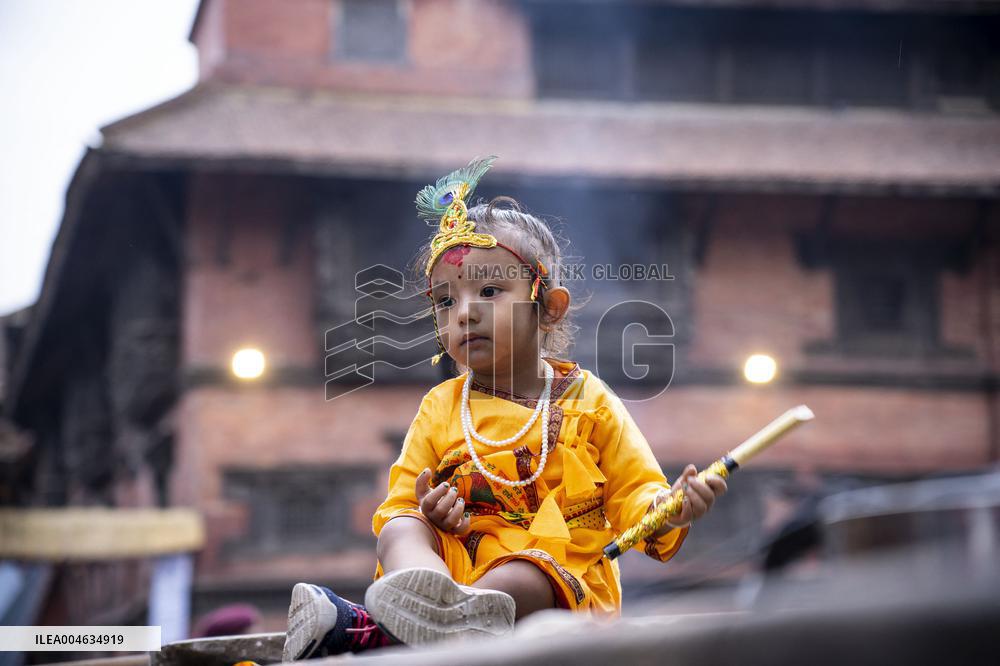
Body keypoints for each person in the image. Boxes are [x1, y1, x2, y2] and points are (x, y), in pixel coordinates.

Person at [282, 156, 728, 660]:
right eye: (445, 303)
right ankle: (423, 606)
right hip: (454, 572)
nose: (464, 312)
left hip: (553, 584)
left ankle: (371, 628)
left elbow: (636, 500)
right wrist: (431, 510)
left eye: (489, 292)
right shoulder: (442, 406)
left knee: (527, 570)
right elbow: (404, 500)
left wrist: (671, 508)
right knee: (400, 526)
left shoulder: (590, 401)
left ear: (548, 308)